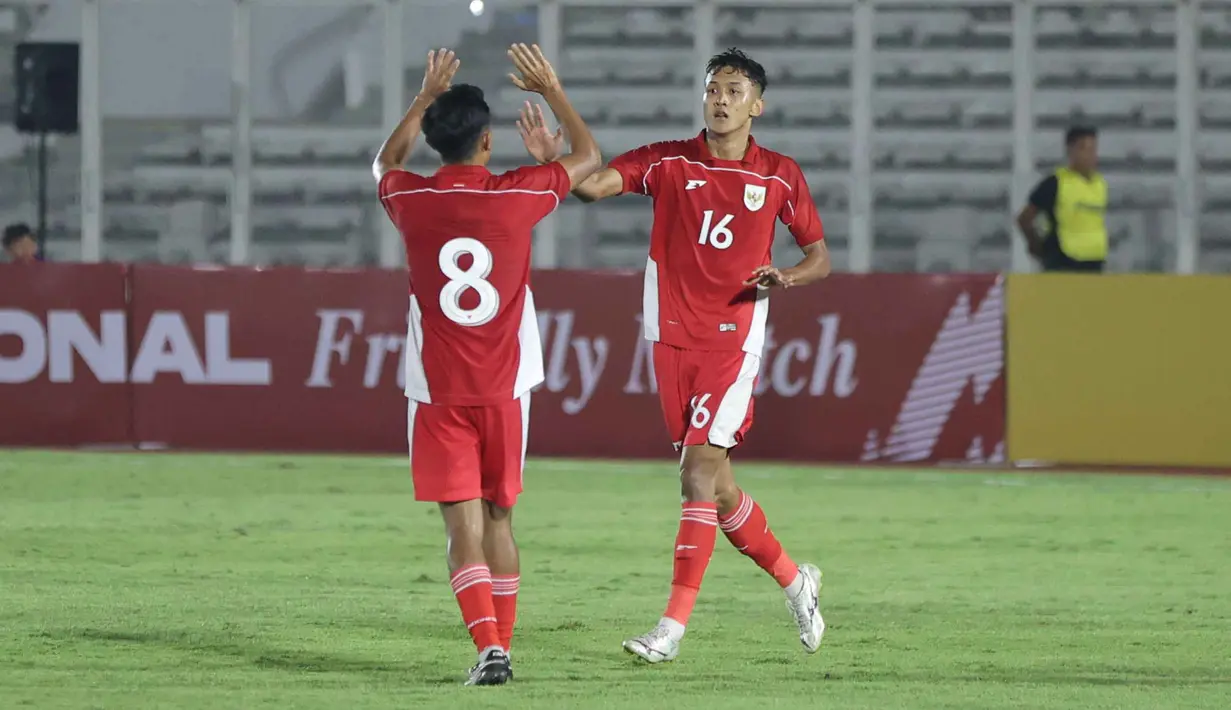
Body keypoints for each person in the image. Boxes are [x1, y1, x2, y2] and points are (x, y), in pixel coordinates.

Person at [519, 47, 830, 663]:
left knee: (694, 473)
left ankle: (671, 628)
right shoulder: (667, 160)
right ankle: (798, 583)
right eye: (714, 88)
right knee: (718, 492)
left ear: (757, 106)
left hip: (732, 341)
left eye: (735, 90)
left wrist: (785, 279)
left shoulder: (779, 175)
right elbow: (596, 186)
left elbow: (819, 257)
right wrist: (558, 158)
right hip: (670, 339)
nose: (721, 99)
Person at [372, 44, 601, 686]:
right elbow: (588, 163)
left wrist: (422, 97)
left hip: (438, 389)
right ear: (487, 143)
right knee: (501, 518)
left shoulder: (409, 199)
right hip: (507, 388)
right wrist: (552, 92)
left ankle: (489, 649)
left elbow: (384, 162)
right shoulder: (516, 195)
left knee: (459, 526)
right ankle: (504, 645)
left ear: (437, 143)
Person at [1015, 126, 1108, 272]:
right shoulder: (1055, 183)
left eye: (1093, 149)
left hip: (1094, 261)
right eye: (1084, 149)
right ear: (1070, 150)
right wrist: (1037, 246)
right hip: (1063, 261)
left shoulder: (1099, 184)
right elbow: (1025, 218)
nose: (1091, 155)